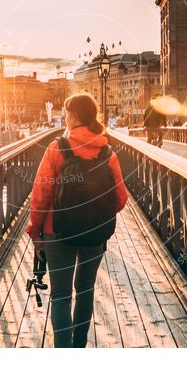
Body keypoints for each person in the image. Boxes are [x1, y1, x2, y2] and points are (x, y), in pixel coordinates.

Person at [26, 93, 128, 348]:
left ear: (75, 116)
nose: (64, 116)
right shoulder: (107, 152)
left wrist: (35, 231)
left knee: (60, 296)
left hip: (57, 232)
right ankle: (79, 346)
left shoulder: (57, 148)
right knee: (85, 290)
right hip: (95, 233)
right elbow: (121, 198)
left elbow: (41, 193)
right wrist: (98, 213)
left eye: (66, 112)